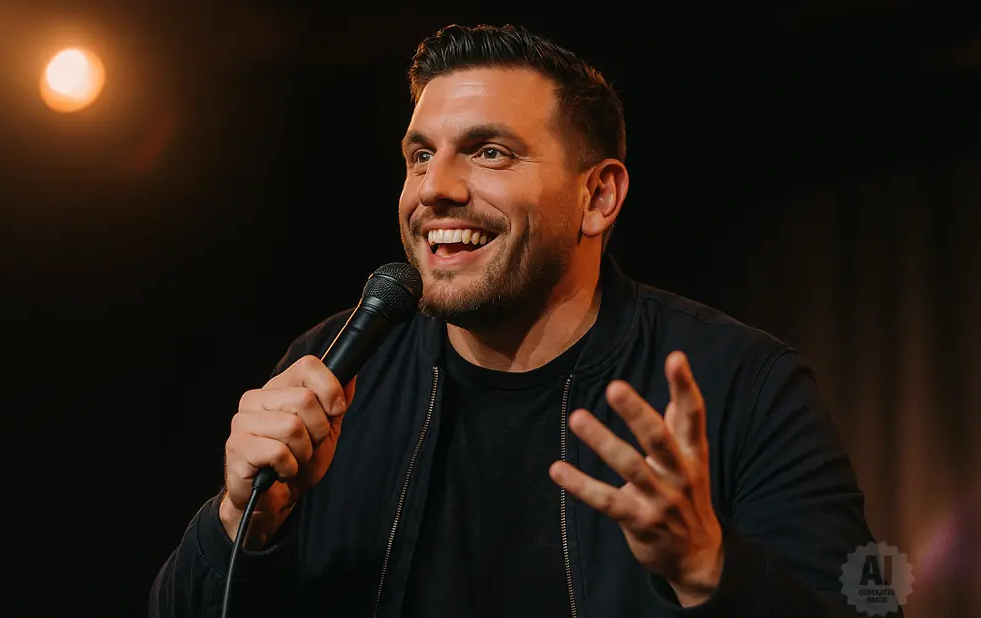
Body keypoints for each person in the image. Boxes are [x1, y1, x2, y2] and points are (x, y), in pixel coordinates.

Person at [150, 24, 895, 618]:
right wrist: (241, 521)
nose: (434, 188)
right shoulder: (334, 366)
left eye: (489, 152)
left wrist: (710, 570)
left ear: (598, 198)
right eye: (419, 156)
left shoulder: (743, 383)